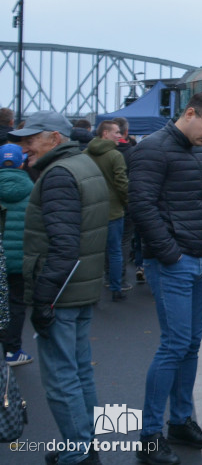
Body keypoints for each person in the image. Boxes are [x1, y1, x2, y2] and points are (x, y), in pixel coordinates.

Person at [129, 92, 202, 464]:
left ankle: (180, 422)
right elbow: (140, 205)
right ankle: (150, 436)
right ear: (189, 113)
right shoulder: (152, 149)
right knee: (175, 345)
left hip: (200, 260)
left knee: (189, 346)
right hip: (175, 263)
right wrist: (171, 254)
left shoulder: (196, 152)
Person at [12, 111, 109, 465]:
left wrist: (43, 301)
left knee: (60, 378)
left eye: (30, 139)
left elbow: (63, 247)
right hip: (80, 289)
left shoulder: (58, 175)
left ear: (54, 138)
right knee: (80, 371)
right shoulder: (84, 165)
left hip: (61, 293)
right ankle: (85, 443)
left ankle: (78, 452)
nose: (24, 147)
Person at [86, 121, 130, 301]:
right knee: (115, 251)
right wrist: (126, 201)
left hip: (91, 210)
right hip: (113, 210)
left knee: (92, 253)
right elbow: (122, 183)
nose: (120, 136)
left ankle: (90, 291)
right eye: (117, 132)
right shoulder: (114, 155)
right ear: (105, 133)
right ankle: (116, 288)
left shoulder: (85, 154)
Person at [0, 143, 35, 366]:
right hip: (19, 256)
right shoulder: (31, 188)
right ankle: (13, 351)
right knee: (16, 302)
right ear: (22, 162)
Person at [113, 117, 143, 284]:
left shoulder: (100, 153)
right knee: (127, 240)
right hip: (129, 202)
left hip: (108, 205)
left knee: (112, 243)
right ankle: (120, 278)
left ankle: (111, 276)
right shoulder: (133, 153)